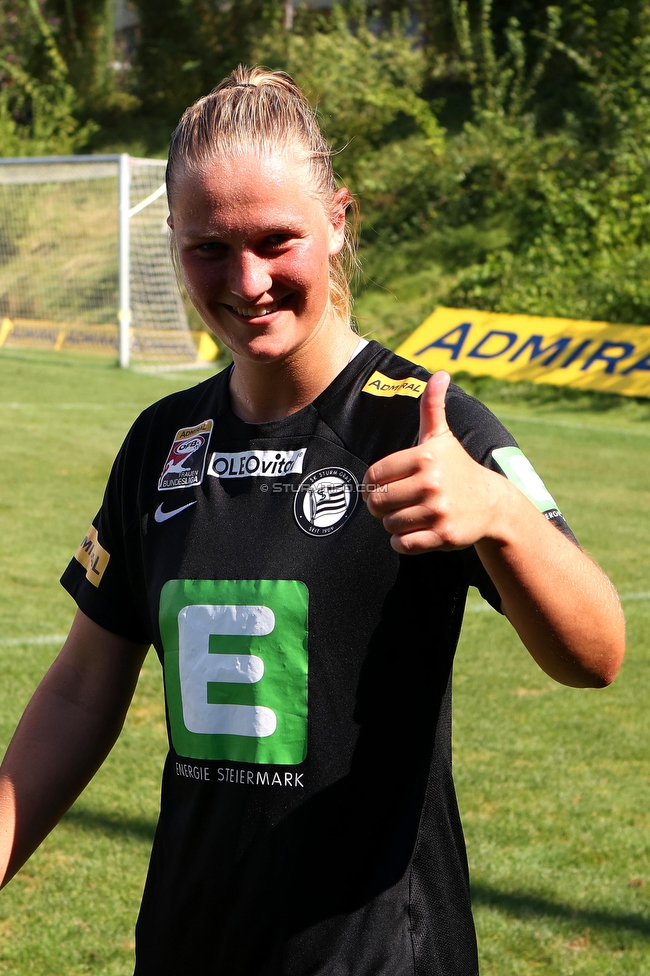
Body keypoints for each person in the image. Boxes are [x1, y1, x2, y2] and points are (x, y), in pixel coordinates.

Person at [0, 66, 624, 976]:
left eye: (274, 240)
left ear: (338, 220)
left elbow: (596, 651)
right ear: (172, 238)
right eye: (208, 246)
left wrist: (500, 517)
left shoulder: (419, 425)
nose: (245, 280)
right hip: (188, 945)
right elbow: (82, 689)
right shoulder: (161, 441)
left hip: (376, 955)